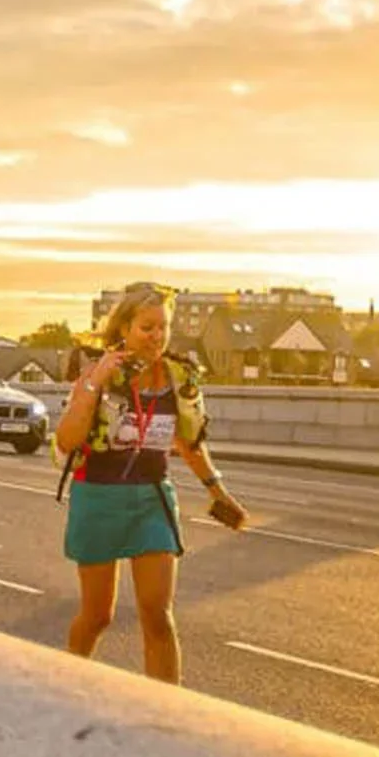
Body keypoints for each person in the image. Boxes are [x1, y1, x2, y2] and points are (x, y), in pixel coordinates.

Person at [52, 283, 247, 685]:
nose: (156, 337)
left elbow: (190, 442)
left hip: (152, 499)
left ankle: (167, 714)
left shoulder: (178, 377)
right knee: (97, 615)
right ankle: (64, 687)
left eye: (163, 327)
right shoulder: (96, 373)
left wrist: (218, 491)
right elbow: (67, 440)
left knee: (158, 616)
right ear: (123, 328)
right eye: (146, 327)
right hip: (99, 496)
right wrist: (94, 383)